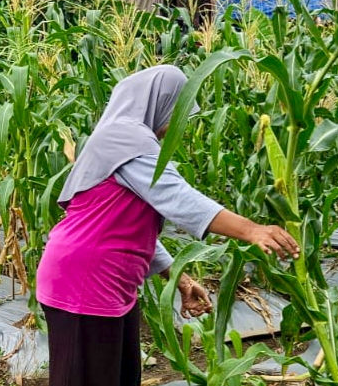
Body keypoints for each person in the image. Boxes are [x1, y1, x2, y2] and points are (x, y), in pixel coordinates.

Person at [36, 65, 299, 386]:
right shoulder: (124, 137)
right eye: (178, 110)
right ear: (159, 101)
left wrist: (180, 278)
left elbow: (131, 227)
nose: (177, 125)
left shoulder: (128, 140)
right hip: (84, 283)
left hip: (109, 285)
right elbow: (178, 198)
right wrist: (252, 230)